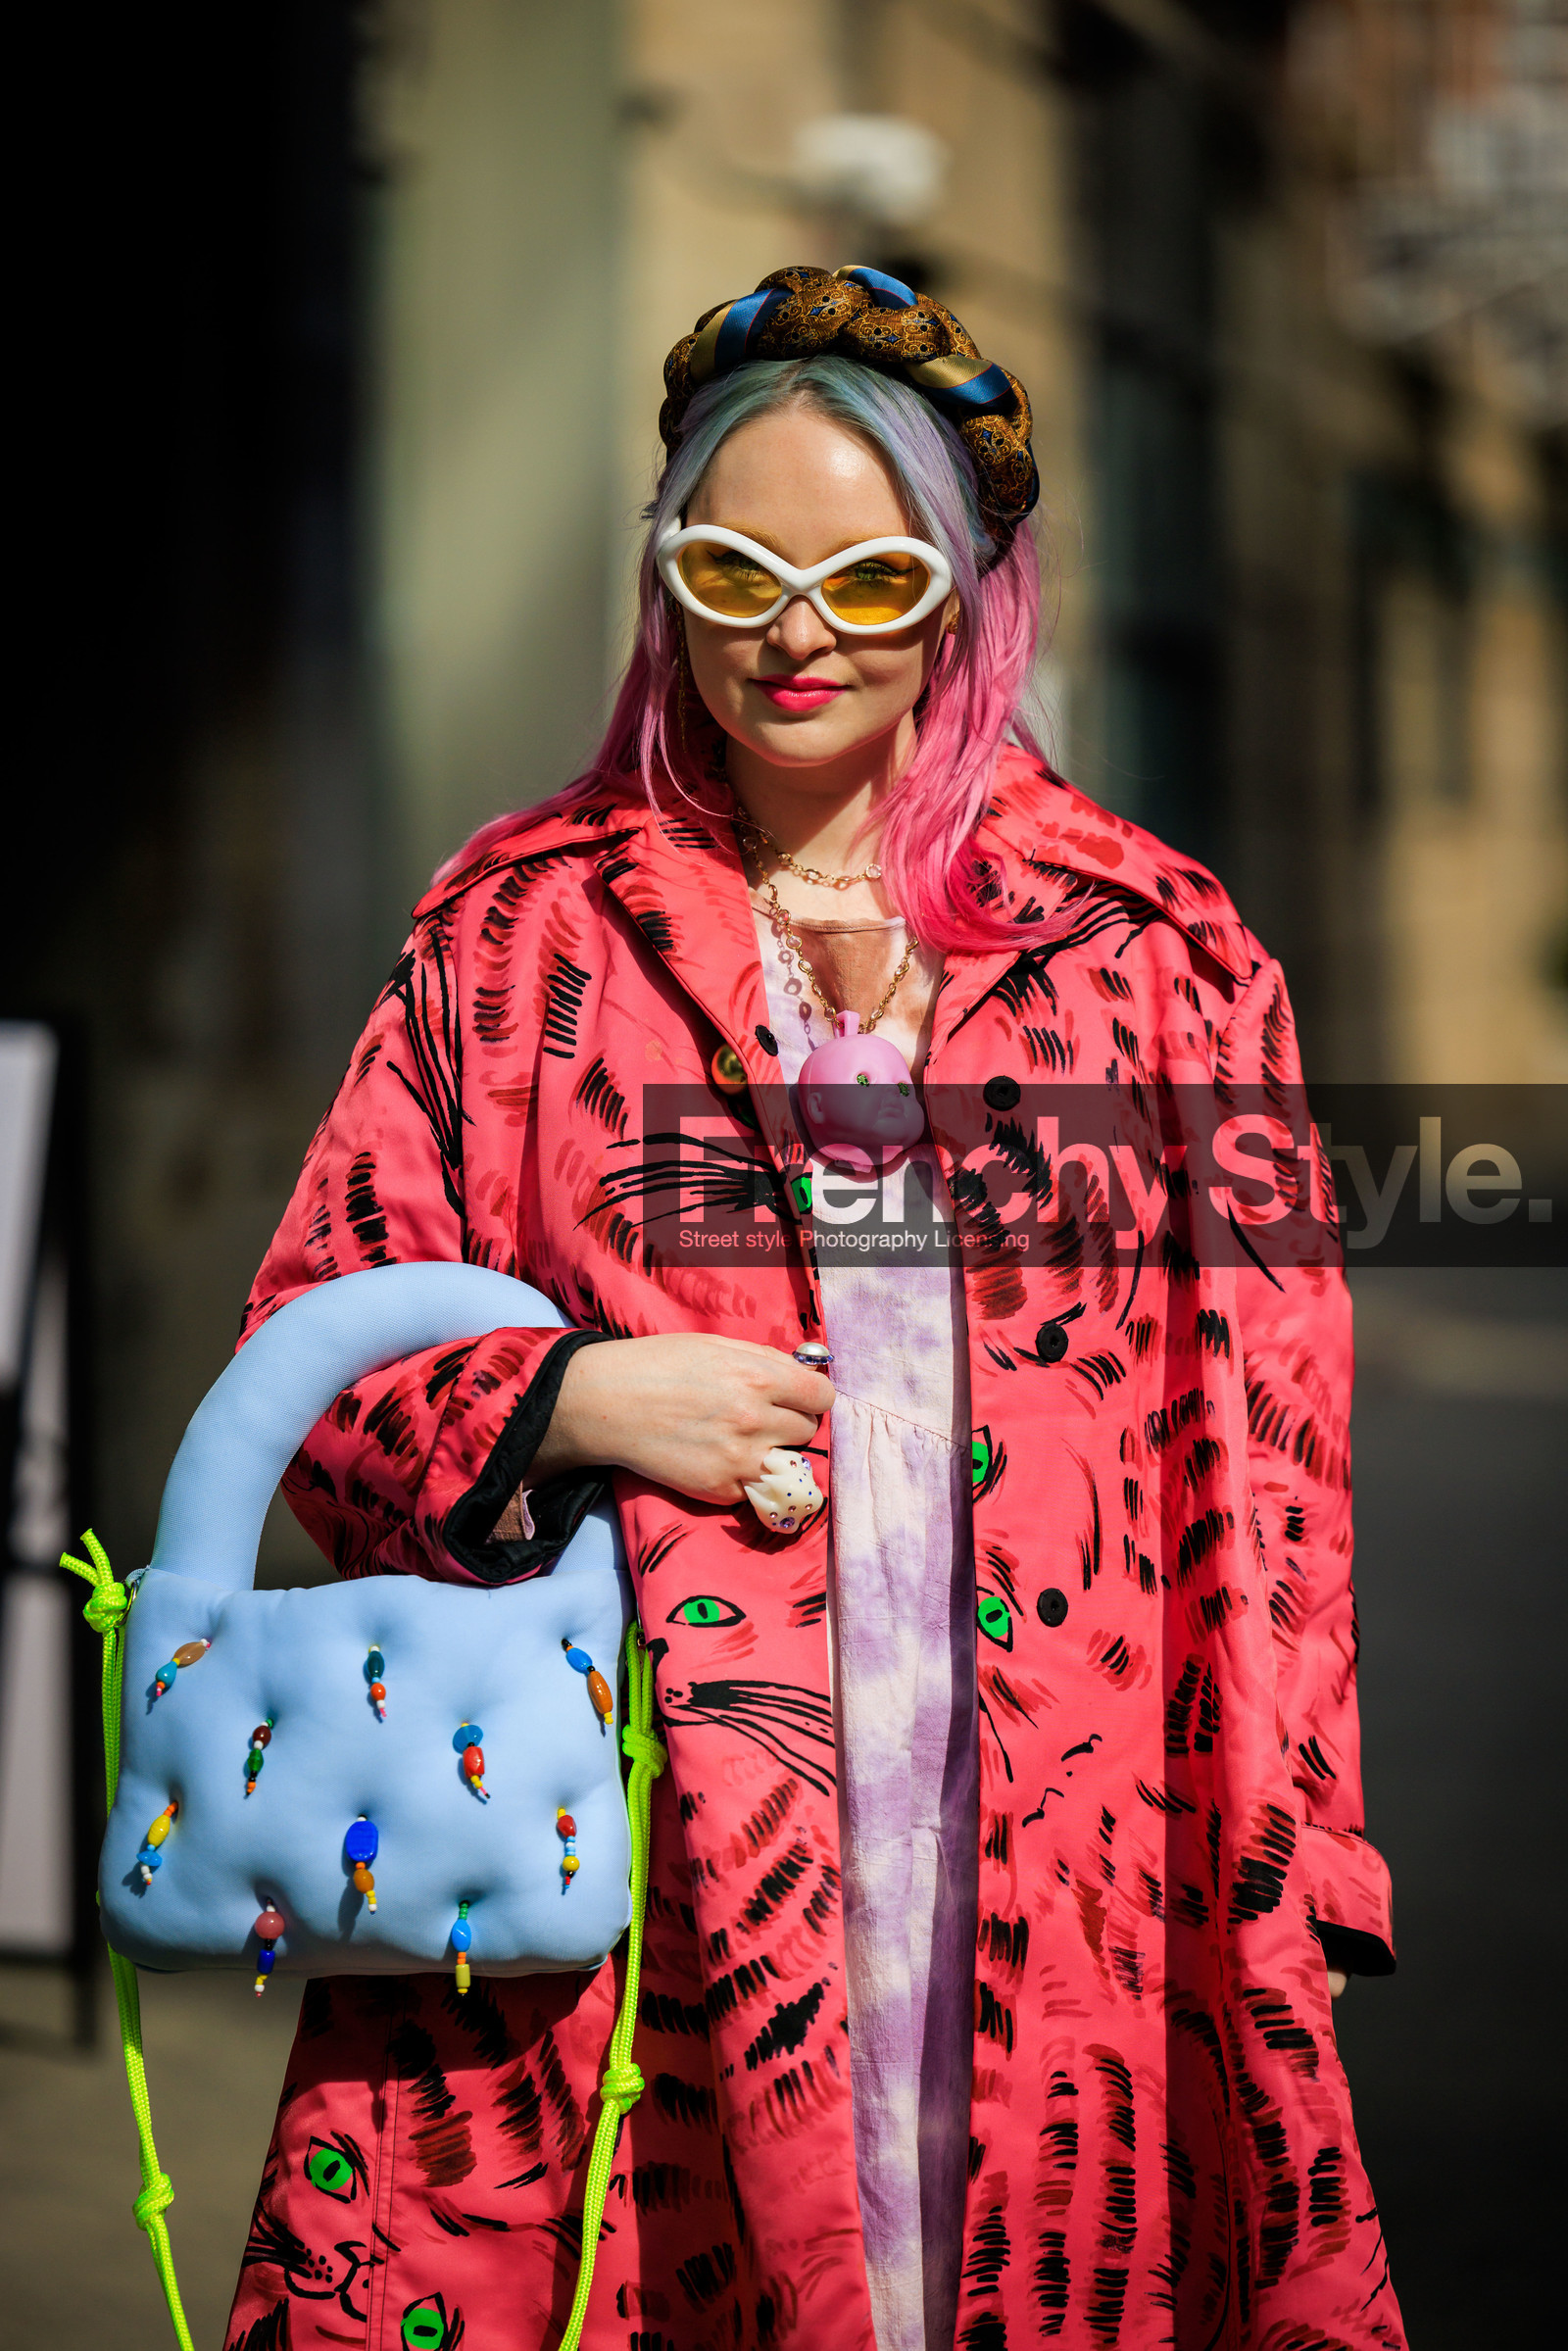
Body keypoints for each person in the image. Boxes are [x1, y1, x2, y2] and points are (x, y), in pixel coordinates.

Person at [225, 266, 1404, 2351]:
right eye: (733, 566)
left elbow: (1276, 1446)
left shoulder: (1158, 956)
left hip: (1067, 1855)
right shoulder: (516, 938)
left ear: (960, 597)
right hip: (641, 1869)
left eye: (865, 577)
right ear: (661, 578)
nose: (795, 633)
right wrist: (575, 1394)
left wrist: (1295, 1849)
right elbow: (317, 1342)